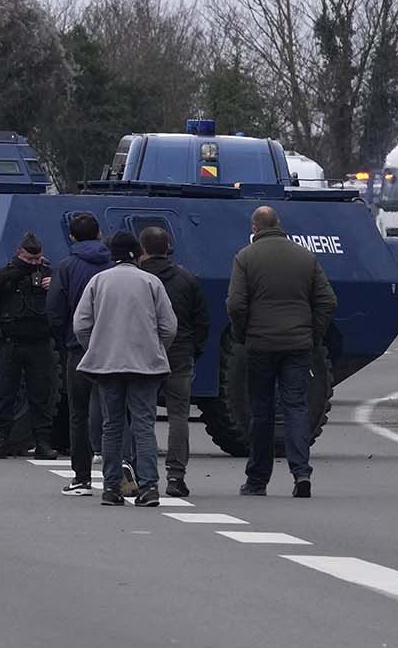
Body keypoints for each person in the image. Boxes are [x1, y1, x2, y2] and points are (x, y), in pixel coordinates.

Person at [226, 206, 336, 498]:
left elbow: (236, 304)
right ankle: (301, 473)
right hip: (298, 345)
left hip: (260, 345)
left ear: (255, 227)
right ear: (279, 224)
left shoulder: (245, 258)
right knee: (296, 407)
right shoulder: (305, 257)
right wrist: (313, 334)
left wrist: (242, 334)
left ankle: (257, 480)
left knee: (261, 411)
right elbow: (328, 300)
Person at [74, 231, 177, 507]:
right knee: (143, 425)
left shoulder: (98, 281)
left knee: (111, 426)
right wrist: (156, 348)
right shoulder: (151, 282)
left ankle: (111, 488)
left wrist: (96, 347)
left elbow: (81, 324)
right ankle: (149, 487)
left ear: (112, 255)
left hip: (108, 365)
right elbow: (169, 326)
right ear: (138, 254)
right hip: (145, 365)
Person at [139, 226, 210, 497]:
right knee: (178, 415)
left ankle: (142, 474)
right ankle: (176, 476)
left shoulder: (138, 278)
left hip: (143, 354)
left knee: (141, 415)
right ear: (168, 247)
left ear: (142, 249)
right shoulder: (186, 279)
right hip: (180, 354)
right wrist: (194, 349)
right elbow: (201, 320)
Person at [48, 212, 113, 495]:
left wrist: (65, 338)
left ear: (71, 237)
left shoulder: (66, 267)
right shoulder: (113, 265)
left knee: (79, 413)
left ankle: (82, 478)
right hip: (113, 349)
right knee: (115, 412)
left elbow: (54, 309)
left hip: (78, 349)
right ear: (99, 234)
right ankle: (116, 473)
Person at [0, 232, 57, 460]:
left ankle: (42, 442)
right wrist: (9, 276)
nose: (32, 264)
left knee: (41, 395)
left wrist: (55, 285)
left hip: (39, 342)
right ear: (18, 254)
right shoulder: (6, 274)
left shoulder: (48, 274)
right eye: (28, 259)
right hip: (10, 342)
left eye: (36, 259)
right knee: (4, 394)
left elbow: (64, 302)